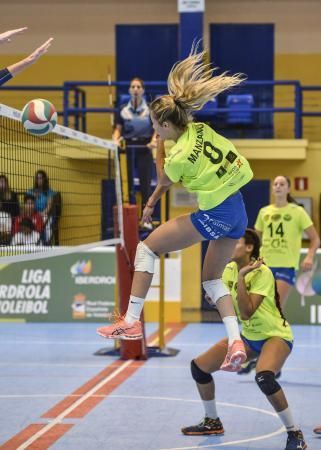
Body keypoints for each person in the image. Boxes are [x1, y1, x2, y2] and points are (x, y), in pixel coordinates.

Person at [97, 44, 254, 372]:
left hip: (215, 213)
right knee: (211, 280)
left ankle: (131, 321)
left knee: (146, 249)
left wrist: (158, 149)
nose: (153, 127)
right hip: (238, 209)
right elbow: (161, 188)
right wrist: (151, 205)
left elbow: (163, 179)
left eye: (155, 124)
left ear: (165, 127)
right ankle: (236, 341)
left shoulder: (177, 155)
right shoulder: (200, 129)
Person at [181, 229, 307, 450]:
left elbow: (246, 312)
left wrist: (241, 277)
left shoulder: (262, 273)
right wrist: (215, 299)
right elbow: (227, 305)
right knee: (199, 368)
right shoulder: (228, 268)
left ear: (249, 248)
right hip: (248, 337)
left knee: (264, 378)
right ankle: (212, 421)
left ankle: (295, 434)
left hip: (275, 335)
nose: (229, 246)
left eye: (235, 242)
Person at [255, 175, 320, 309]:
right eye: (276, 184)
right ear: (272, 189)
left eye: (282, 184)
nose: (278, 186)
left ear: (289, 189)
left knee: (276, 307)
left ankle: (278, 329)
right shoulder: (264, 212)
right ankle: (260, 330)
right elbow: (256, 239)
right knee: (259, 307)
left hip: (286, 265)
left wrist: (309, 256)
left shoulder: (298, 212)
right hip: (264, 264)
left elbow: (315, 239)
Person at [113, 77, 157, 228]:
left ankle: (146, 220)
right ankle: (129, 220)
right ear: (129, 90)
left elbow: (156, 129)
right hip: (128, 149)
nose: (136, 89)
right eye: (133, 87)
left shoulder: (150, 109)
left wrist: (153, 141)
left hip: (145, 148)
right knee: (128, 185)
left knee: (146, 185)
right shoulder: (122, 109)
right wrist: (115, 140)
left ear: (143, 90)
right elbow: (118, 130)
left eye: (138, 87)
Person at [27, 170, 55, 244]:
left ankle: (46, 243)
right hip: (32, 214)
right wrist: (34, 198)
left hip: (45, 214)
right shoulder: (31, 191)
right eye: (37, 178)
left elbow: (49, 206)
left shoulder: (49, 192)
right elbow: (27, 205)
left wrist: (41, 214)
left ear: (44, 179)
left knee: (46, 224)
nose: (38, 180)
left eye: (40, 178)